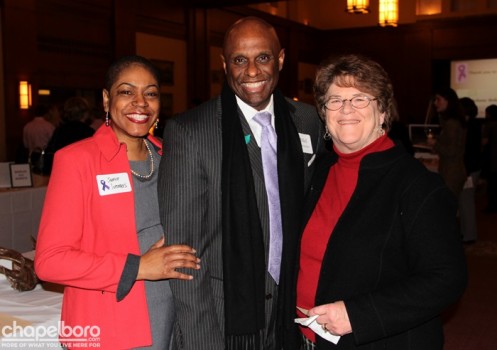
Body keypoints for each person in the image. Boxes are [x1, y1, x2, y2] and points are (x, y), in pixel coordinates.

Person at [158, 16, 325, 349]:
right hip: (223, 318)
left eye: (262, 57)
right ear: (224, 64)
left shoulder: (307, 122)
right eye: (239, 60)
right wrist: (203, 340)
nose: (251, 71)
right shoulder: (191, 132)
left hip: (290, 311)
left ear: (279, 59)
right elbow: (183, 256)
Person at [292, 54, 467, 350]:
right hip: (305, 339)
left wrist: (357, 316)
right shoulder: (318, 171)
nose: (346, 109)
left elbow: (446, 278)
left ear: (383, 111)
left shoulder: (418, 186)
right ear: (324, 113)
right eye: (335, 100)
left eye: (360, 98)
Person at [35, 55, 200, 349]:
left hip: (175, 319)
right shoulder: (77, 161)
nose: (140, 102)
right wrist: (137, 267)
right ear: (106, 99)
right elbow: (49, 262)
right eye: (127, 92)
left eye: (150, 93)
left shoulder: (172, 156)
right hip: (110, 325)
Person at [432, 87, 467, 197]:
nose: (435, 103)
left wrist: (435, 144)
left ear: (448, 101)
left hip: (451, 173)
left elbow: (452, 151)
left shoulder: (452, 123)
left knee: (447, 209)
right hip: (451, 170)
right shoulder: (451, 122)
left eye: (438, 99)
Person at [459, 97, 482, 242]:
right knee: (465, 202)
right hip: (473, 167)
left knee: (466, 202)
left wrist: (465, 170)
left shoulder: (471, 125)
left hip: (470, 168)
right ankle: (466, 233)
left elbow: (470, 150)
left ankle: (469, 236)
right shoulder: (473, 123)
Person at [482, 104, 497, 213]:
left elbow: (484, 142)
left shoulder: (489, 125)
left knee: (492, 185)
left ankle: (492, 206)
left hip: (493, 159)